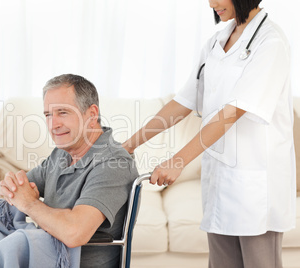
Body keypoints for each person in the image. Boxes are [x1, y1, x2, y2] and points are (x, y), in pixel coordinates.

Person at [122, 1, 295, 267]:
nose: (212, 3)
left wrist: (178, 160)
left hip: (256, 188)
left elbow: (232, 112)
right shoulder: (217, 41)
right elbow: (183, 102)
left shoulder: (270, 42)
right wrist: (128, 145)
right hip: (220, 183)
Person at [0, 74, 138, 268]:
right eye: (48, 114)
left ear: (91, 114)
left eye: (63, 112)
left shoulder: (113, 163)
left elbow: (74, 233)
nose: (53, 124)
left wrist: (29, 203)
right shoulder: (64, 153)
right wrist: (12, 186)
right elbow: (23, 187)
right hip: (40, 249)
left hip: (69, 261)